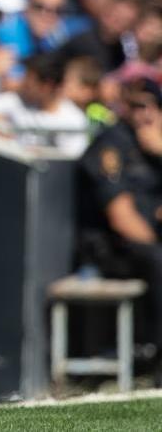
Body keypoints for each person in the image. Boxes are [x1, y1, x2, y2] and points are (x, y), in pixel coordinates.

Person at [78, 77, 162, 383]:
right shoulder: (112, 144)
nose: (145, 115)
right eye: (137, 105)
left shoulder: (153, 145)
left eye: (152, 107)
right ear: (124, 106)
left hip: (146, 244)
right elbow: (121, 218)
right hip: (109, 247)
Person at [0, 53, 89, 155]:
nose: (23, 82)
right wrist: (2, 128)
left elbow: (69, 159)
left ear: (47, 85)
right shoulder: (20, 99)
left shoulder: (74, 121)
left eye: (29, 80)